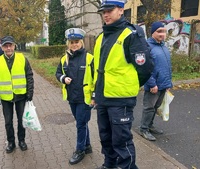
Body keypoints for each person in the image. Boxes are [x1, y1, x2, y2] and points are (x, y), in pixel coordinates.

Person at [92, 0, 154, 168]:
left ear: (121, 10)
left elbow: (146, 67)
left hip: (121, 99)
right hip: (103, 97)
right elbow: (97, 69)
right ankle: (109, 164)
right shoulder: (101, 36)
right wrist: (95, 93)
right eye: (103, 11)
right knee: (105, 136)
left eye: (109, 10)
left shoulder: (131, 34)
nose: (105, 14)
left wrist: (131, 85)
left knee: (121, 140)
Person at [0, 35, 34, 153]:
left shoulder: (22, 58)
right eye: (6, 46)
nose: (8, 48)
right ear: (2, 47)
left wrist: (30, 92)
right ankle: (11, 142)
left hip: (21, 95)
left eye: (10, 45)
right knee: (8, 122)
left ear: (14, 46)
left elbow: (29, 75)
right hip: (5, 97)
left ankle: (22, 141)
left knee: (21, 120)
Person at [55, 28, 94, 165]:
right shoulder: (64, 59)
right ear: (68, 43)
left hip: (85, 98)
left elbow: (96, 79)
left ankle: (80, 150)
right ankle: (87, 145)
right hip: (72, 98)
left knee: (80, 124)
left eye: (77, 42)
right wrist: (63, 78)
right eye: (71, 42)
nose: (74, 45)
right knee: (81, 122)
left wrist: (94, 97)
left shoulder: (89, 58)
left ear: (81, 42)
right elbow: (58, 73)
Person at [139, 21, 173, 141]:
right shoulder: (147, 47)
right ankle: (143, 129)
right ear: (152, 33)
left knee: (156, 107)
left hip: (163, 84)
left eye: (163, 31)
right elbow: (145, 68)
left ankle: (150, 125)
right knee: (149, 107)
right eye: (159, 31)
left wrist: (169, 83)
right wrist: (151, 84)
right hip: (153, 85)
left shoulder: (163, 46)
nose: (162, 34)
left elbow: (167, 66)